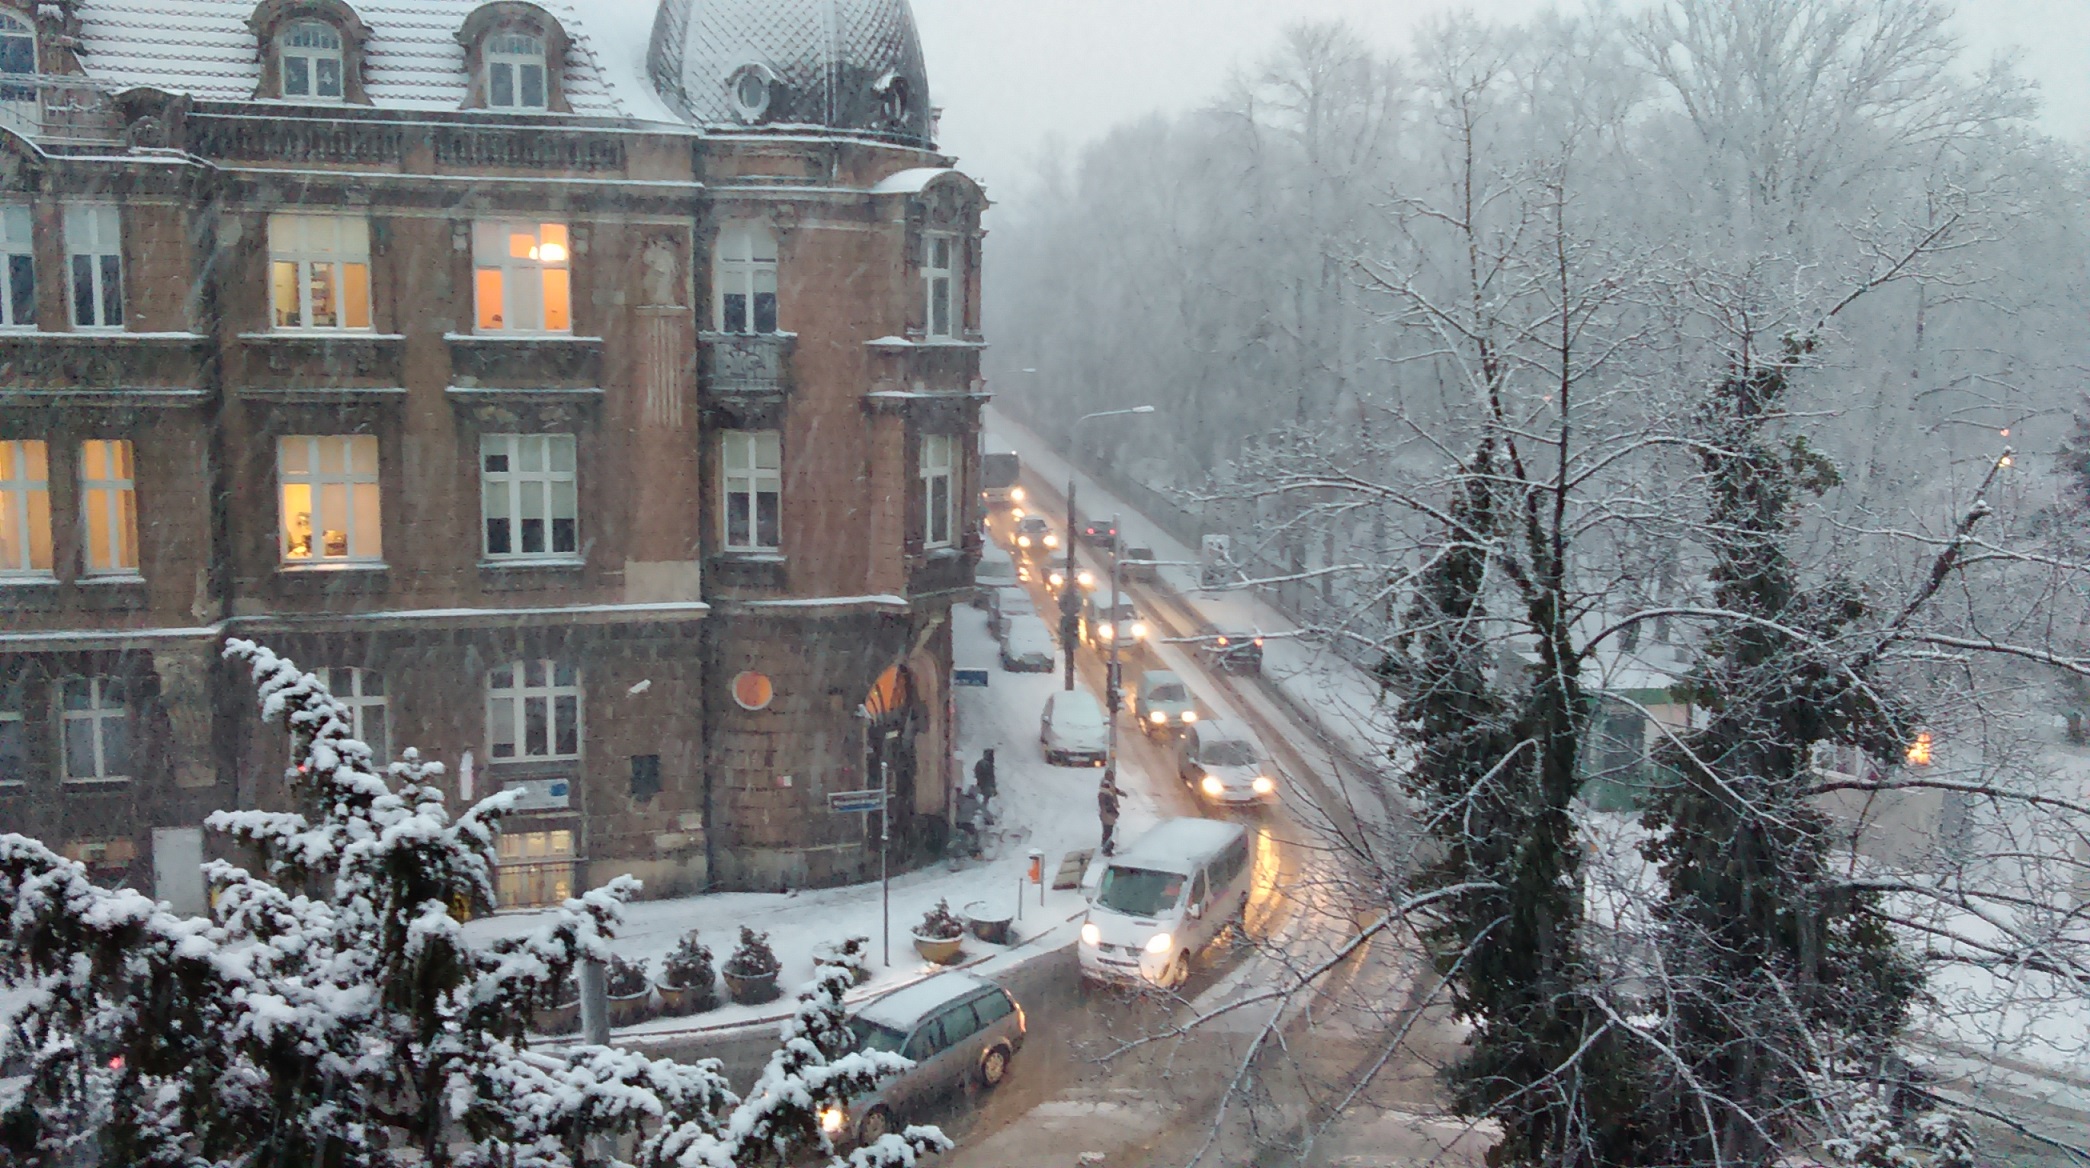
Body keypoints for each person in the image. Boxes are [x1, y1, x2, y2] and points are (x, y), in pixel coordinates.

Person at [1097, 768, 1122, 857]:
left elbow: (1113, 790)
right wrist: (1115, 814)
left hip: (1104, 816)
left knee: (1106, 832)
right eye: (1111, 775)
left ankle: (1104, 846)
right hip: (1107, 817)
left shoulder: (1105, 788)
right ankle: (1106, 850)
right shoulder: (1106, 794)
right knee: (1109, 832)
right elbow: (1108, 807)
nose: (1113, 777)